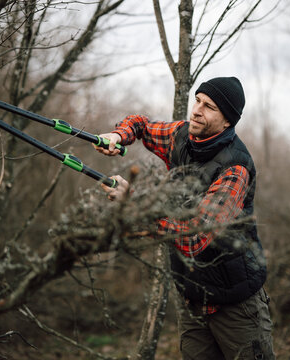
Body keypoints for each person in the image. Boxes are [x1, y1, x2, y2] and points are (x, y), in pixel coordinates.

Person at [94, 77, 275, 360]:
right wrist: (118, 136)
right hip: (193, 298)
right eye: (198, 100)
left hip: (236, 304)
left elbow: (194, 238)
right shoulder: (182, 136)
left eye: (210, 106)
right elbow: (141, 124)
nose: (197, 110)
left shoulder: (235, 167)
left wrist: (134, 203)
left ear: (228, 121)